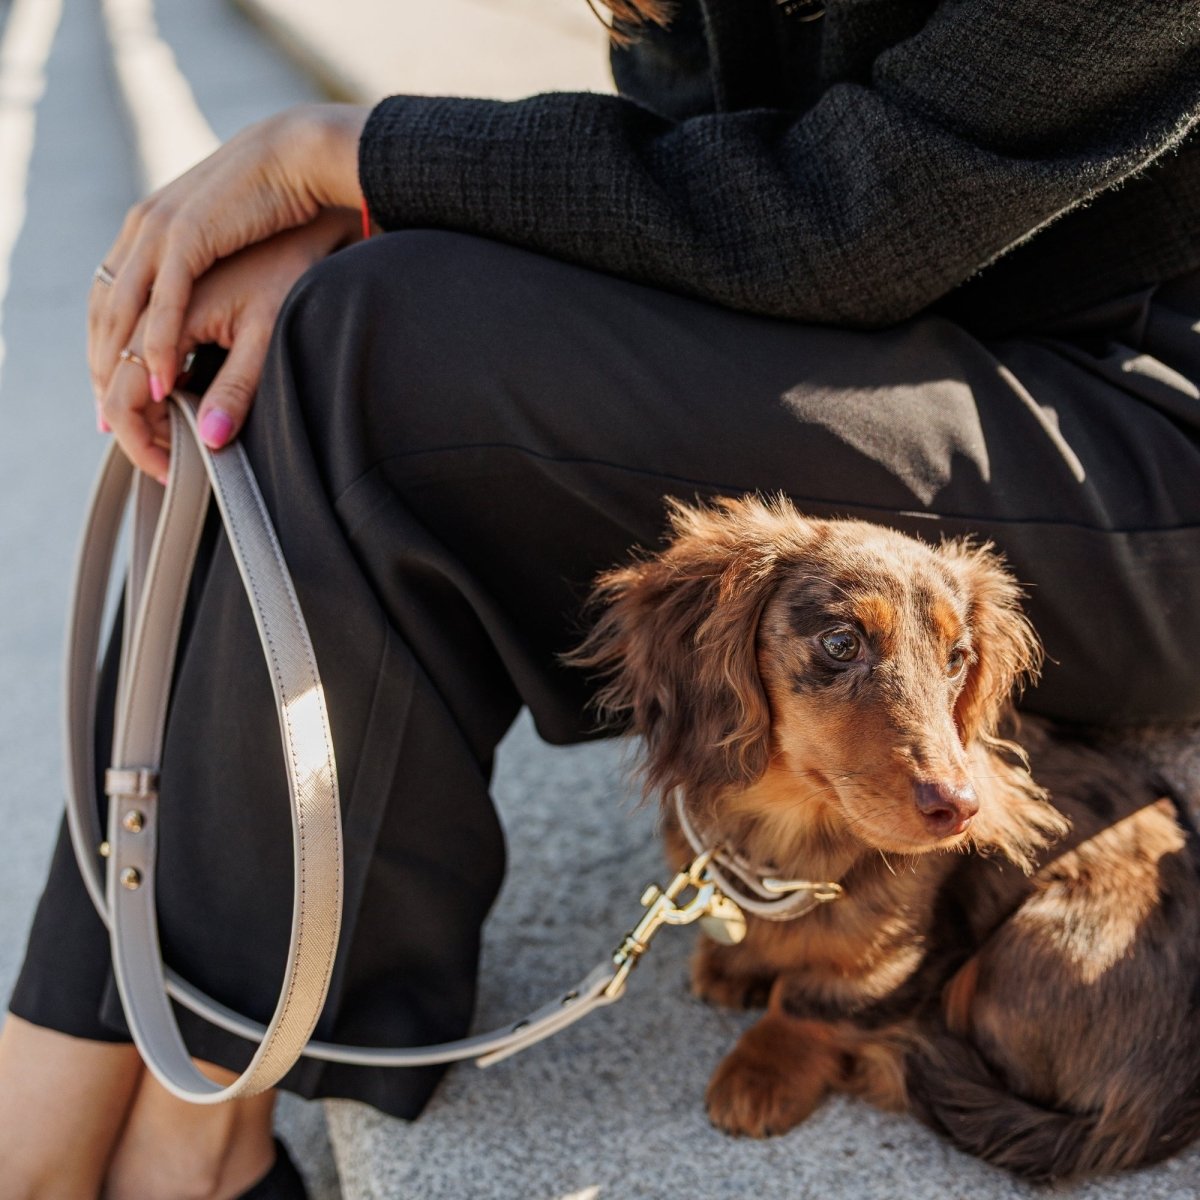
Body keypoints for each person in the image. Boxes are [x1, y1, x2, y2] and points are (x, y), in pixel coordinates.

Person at [3, 1, 1200, 1196]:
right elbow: (693, 165)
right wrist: (364, 220)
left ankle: (168, 1143)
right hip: (914, 347)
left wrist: (339, 158)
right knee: (327, 326)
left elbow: (850, 217)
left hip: (1138, 438)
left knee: (372, 339)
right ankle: (61, 1107)